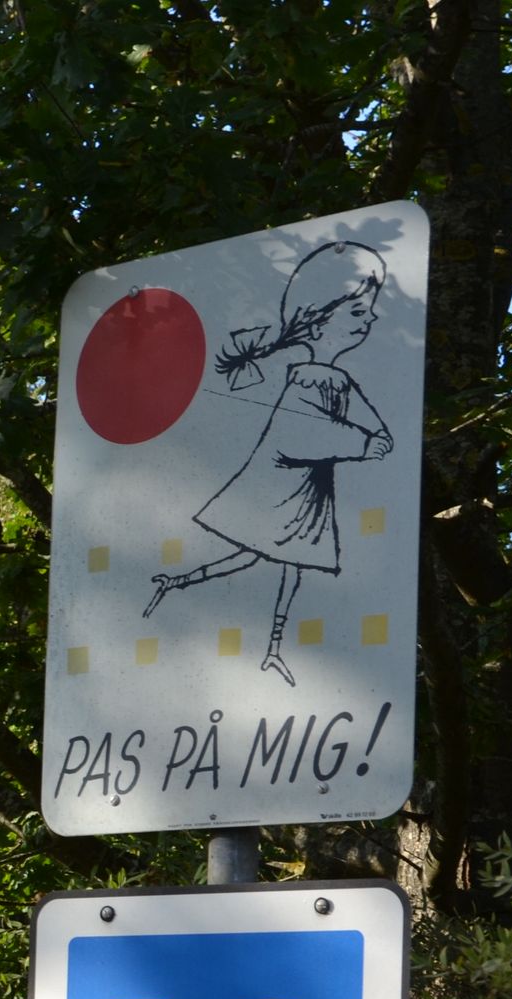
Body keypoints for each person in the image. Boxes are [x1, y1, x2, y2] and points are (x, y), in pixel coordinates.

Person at [144, 240, 396, 687]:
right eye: (358, 312)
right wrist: (361, 443)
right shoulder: (307, 376)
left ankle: (193, 594)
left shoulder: (335, 376)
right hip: (283, 482)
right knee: (269, 559)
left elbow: (368, 418)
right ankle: (266, 644)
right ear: (318, 322)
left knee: (266, 559)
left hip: (310, 486)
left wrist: (376, 435)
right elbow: (297, 433)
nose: (372, 318)